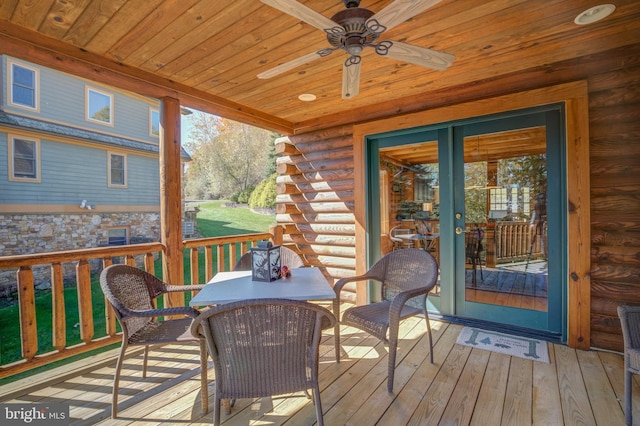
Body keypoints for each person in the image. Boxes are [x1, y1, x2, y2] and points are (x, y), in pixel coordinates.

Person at [529, 193, 547, 259]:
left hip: (544, 223)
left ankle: (546, 255)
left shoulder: (546, 205)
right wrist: (531, 223)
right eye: (539, 199)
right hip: (539, 223)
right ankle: (545, 255)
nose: (540, 200)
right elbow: (534, 213)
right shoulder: (537, 206)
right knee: (542, 240)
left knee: (544, 240)